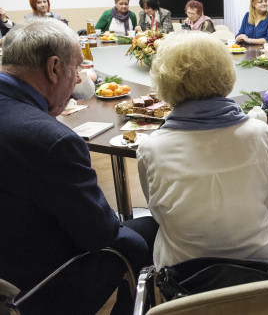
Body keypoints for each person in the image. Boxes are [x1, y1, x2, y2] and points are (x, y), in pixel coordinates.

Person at [0, 19, 155, 314]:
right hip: (37, 286)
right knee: (144, 236)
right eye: (78, 68)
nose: (79, 80)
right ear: (54, 68)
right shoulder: (52, 141)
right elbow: (101, 234)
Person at [137, 31, 268, 269]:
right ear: (226, 73)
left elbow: (159, 214)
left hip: (184, 279)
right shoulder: (260, 133)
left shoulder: (151, 148)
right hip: (261, 270)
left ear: (163, 81)